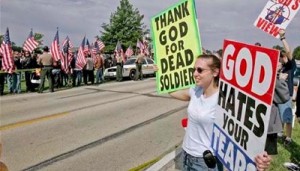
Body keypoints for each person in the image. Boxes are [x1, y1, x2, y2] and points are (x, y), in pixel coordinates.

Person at [168, 54, 271, 171]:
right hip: (186, 155)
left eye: (200, 70)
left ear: (215, 72)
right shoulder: (196, 90)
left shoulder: (224, 99)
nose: (195, 74)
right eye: (194, 70)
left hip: (206, 163)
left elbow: (246, 129)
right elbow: (173, 92)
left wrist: (259, 156)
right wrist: (161, 76)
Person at [277, 29, 296, 146]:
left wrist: (282, 38)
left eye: (282, 56)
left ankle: (288, 138)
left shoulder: (290, 65)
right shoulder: (282, 69)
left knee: (287, 118)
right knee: (280, 115)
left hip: (286, 95)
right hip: (279, 95)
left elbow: (289, 52)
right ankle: (279, 133)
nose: (281, 58)